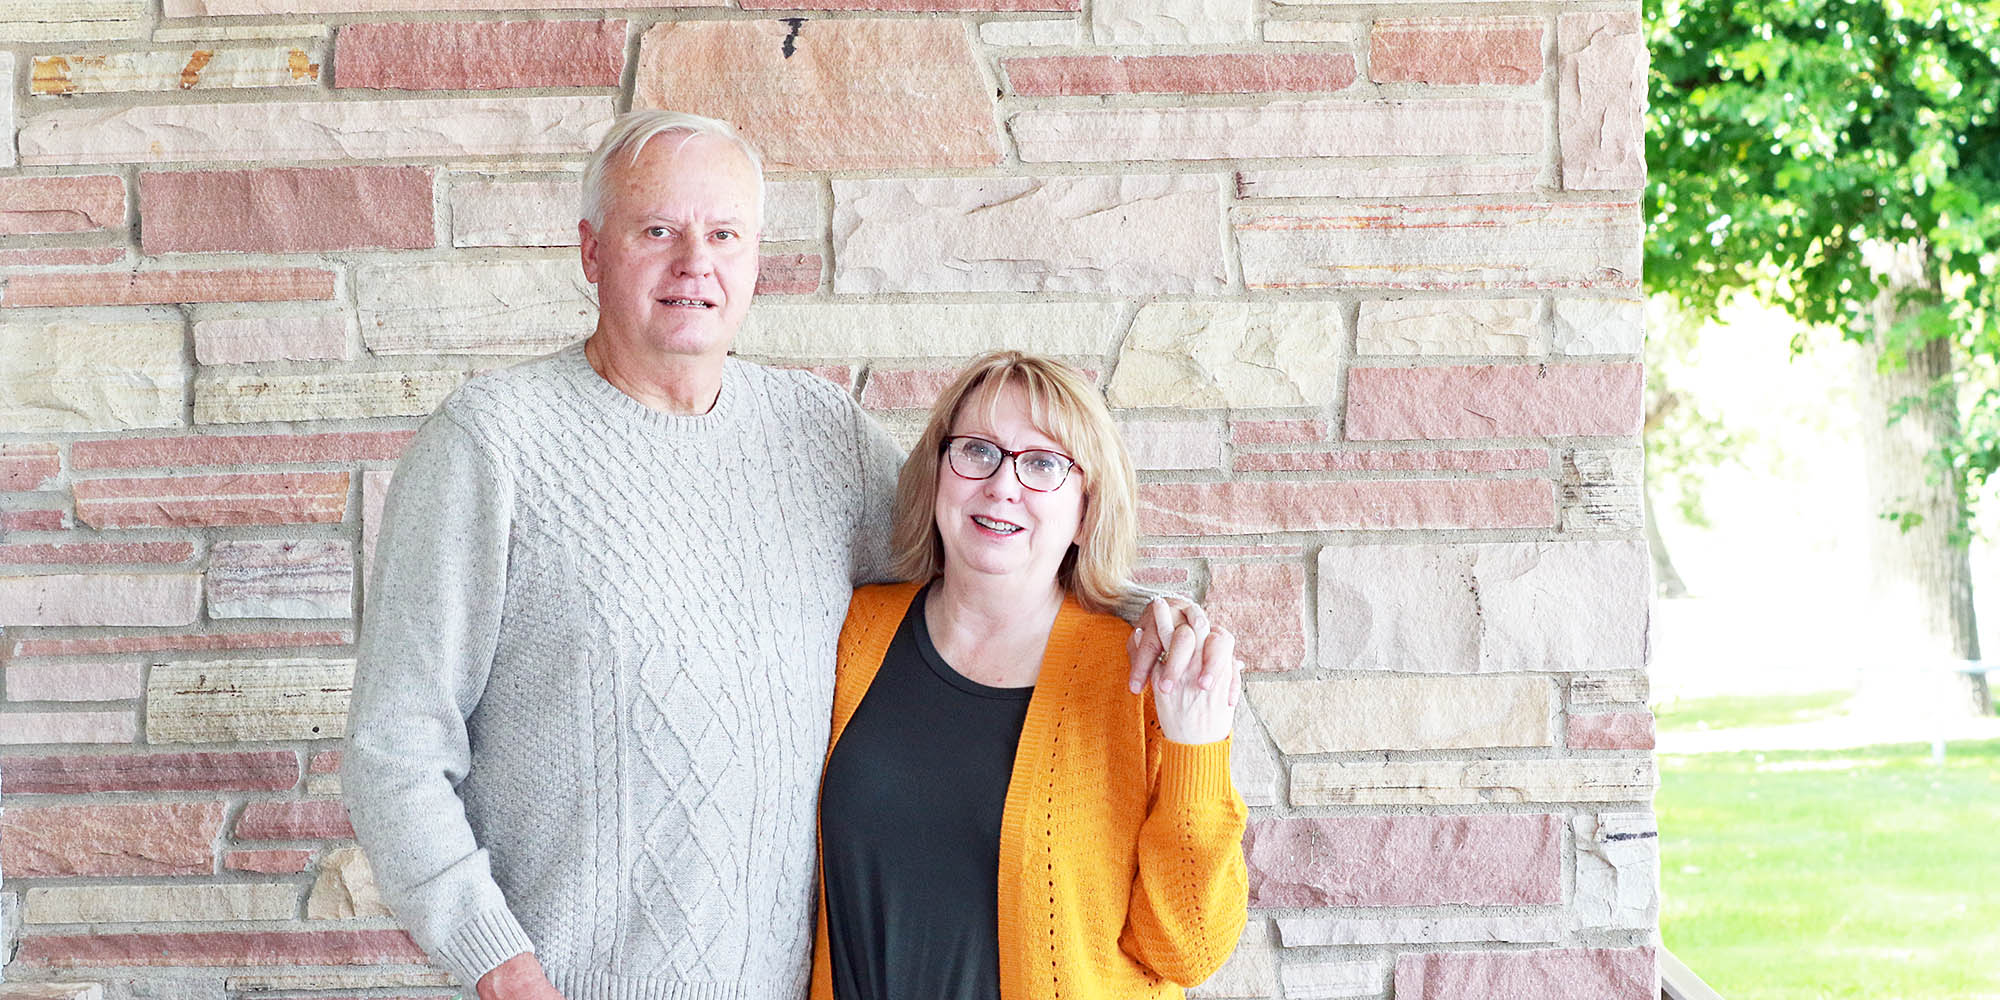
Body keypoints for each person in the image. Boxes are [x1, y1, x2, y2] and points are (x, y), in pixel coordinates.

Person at [342, 110, 1217, 1000]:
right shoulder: (490, 448)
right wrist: (499, 964)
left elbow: (979, 534)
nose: (696, 262)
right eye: (658, 230)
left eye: (724, 233)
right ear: (591, 250)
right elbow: (395, 751)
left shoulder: (816, 433)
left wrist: (1142, 611)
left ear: (756, 260)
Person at [813, 352, 1249, 1000]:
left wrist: (1195, 748)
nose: (1002, 485)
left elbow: (1187, 950)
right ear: (938, 471)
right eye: (977, 451)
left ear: (1085, 506)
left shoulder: (1139, 675)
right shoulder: (855, 631)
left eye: (1043, 463)